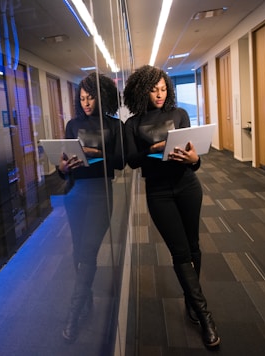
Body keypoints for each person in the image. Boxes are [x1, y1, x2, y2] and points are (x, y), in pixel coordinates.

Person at [122, 65, 220, 347]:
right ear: (142, 91)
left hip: (188, 185)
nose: (160, 94)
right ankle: (205, 316)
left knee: (193, 246)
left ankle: (192, 300)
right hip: (158, 192)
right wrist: (153, 149)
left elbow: (194, 156)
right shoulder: (133, 124)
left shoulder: (180, 114)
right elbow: (132, 160)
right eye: (154, 90)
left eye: (164, 89)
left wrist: (194, 160)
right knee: (179, 252)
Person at [57, 72, 126, 343]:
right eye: (82, 98)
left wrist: (95, 154)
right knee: (79, 252)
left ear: (101, 97)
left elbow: (120, 162)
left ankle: (74, 313)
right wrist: (62, 168)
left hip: (101, 195)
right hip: (76, 193)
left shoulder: (113, 125)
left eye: (91, 97)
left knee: (87, 251)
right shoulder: (72, 125)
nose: (86, 103)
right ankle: (87, 302)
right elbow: (64, 166)